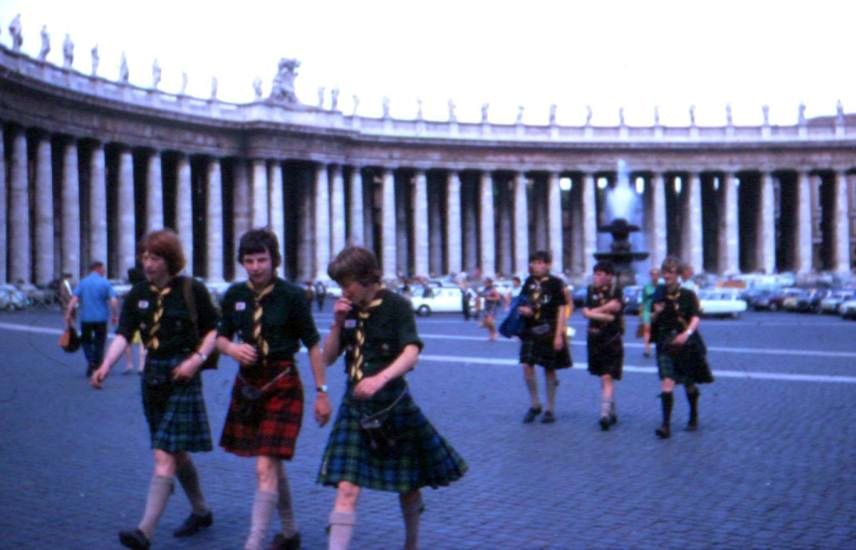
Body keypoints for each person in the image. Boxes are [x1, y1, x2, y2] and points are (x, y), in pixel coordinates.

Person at [318, 246, 467, 550]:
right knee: (347, 487)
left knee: (408, 485)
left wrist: (380, 378)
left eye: (347, 284)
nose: (342, 291)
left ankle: (412, 543)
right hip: (355, 405)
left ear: (367, 278)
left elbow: (411, 352)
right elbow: (328, 358)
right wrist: (336, 324)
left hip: (392, 403)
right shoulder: (348, 310)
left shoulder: (396, 305)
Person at [90, 229, 219, 549]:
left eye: (155, 257)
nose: (148, 264)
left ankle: (144, 531)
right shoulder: (137, 294)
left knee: (163, 455)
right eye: (145, 257)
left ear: (170, 260)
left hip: (183, 375)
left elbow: (214, 330)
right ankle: (201, 511)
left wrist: (197, 360)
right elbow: (124, 334)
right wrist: (105, 365)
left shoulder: (192, 289)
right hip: (153, 379)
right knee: (177, 453)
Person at [217, 229, 332, 550]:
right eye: (249, 260)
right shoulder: (234, 296)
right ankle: (291, 532)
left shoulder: (292, 296)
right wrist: (231, 350)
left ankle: (253, 543)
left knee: (265, 464)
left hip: (282, 382)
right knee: (272, 463)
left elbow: (312, 345)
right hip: (248, 385)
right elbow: (220, 336)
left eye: (262, 259)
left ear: (274, 260)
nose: (255, 267)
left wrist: (322, 392)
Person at [650, 256, 714, 439]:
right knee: (667, 381)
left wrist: (686, 335)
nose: (667, 275)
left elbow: (695, 317)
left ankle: (693, 414)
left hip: (684, 342)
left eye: (671, 272)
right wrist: (656, 313)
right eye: (665, 271)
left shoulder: (687, 294)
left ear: (678, 274)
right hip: (664, 341)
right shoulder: (658, 292)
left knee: (688, 383)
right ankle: (665, 425)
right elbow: (652, 317)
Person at [518, 250, 572, 424]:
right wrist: (523, 310)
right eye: (535, 262)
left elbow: (562, 310)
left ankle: (549, 408)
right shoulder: (528, 282)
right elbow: (522, 301)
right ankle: (535, 404)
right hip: (530, 329)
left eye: (542, 262)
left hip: (549, 328)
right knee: (526, 364)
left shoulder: (556, 283)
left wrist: (559, 336)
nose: (538, 265)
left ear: (548, 265)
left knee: (550, 368)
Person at [581, 261, 624, 431]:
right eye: (595, 273)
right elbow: (586, 313)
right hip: (595, 339)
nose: (596, 277)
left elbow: (615, 312)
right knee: (604, 377)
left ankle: (604, 414)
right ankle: (612, 412)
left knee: (607, 376)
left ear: (609, 276)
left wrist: (592, 313)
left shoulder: (616, 291)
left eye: (600, 274)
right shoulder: (590, 290)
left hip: (611, 339)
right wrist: (602, 313)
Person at [64, 261, 118, 377]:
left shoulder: (83, 282)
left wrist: (68, 313)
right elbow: (113, 301)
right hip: (101, 318)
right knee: (100, 342)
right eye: (103, 269)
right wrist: (114, 315)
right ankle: (97, 364)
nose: (104, 271)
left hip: (86, 318)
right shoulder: (105, 283)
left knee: (86, 341)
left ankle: (91, 361)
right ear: (98, 268)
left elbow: (73, 299)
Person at [640, 267, 660, 357]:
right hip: (647, 310)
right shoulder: (646, 286)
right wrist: (641, 312)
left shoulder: (662, 286)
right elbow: (643, 300)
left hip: (658, 311)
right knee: (647, 329)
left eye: (656, 274)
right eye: (652, 274)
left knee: (659, 330)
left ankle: (660, 348)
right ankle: (646, 348)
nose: (654, 276)